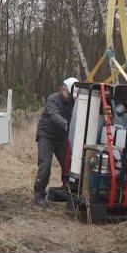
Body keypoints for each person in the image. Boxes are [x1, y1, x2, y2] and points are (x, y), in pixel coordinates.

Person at [32, 76, 79, 207]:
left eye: (69, 92)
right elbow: (54, 115)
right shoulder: (52, 99)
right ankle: (39, 195)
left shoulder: (74, 102)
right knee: (45, 164)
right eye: (65, 90)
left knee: (68, 163)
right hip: (46, 135)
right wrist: (67, 125)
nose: (66, 93)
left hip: (62, 137)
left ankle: (68, 187)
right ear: (62, 88)